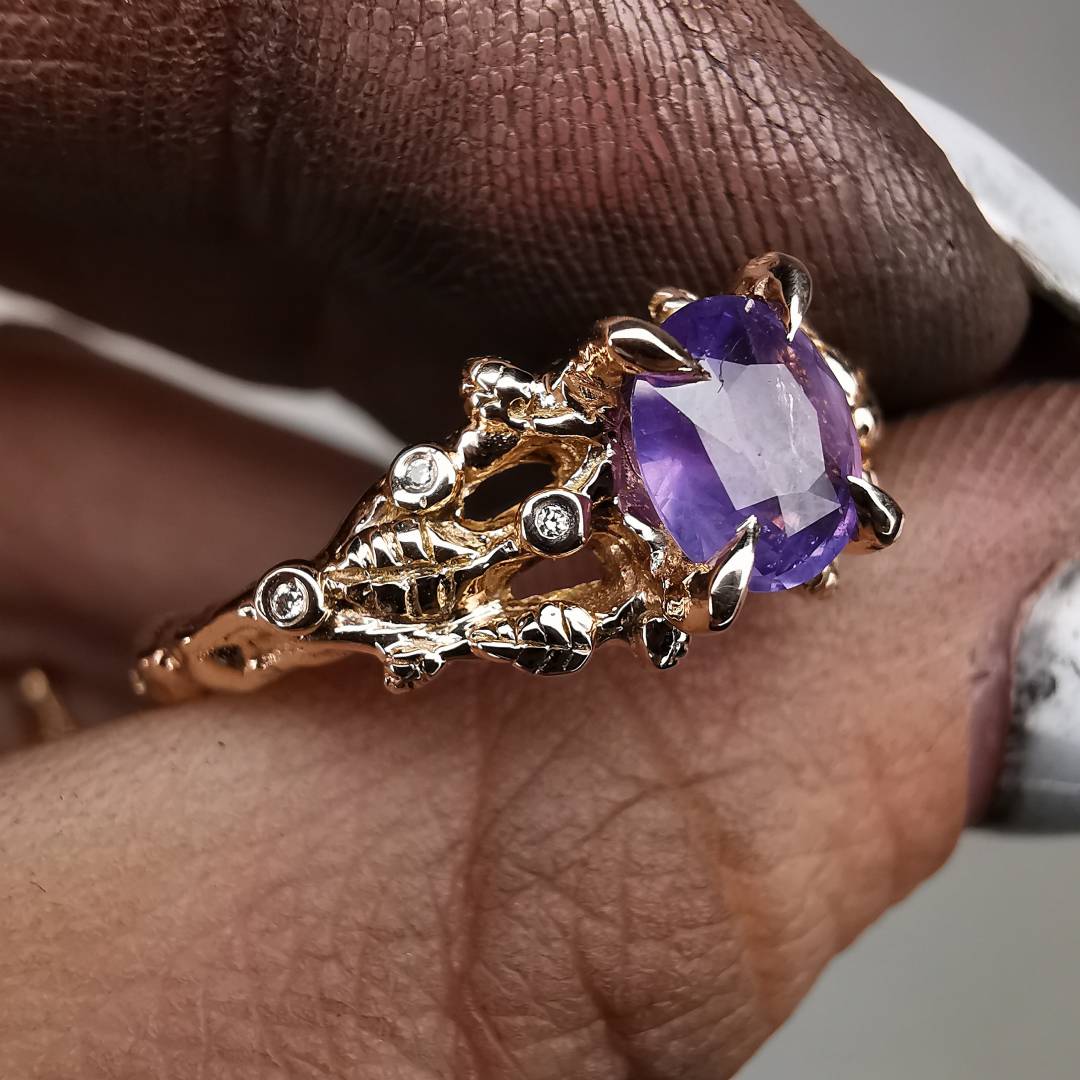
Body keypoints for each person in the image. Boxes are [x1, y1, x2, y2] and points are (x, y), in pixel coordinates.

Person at [0, 1, 1076, 1075]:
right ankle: (225, 649)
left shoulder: (765, 463)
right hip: (487, 531)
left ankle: (249, 643)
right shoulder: (700, 405)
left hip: (599, 532)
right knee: (319, 610)